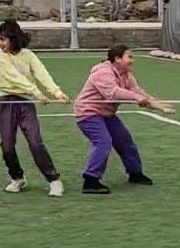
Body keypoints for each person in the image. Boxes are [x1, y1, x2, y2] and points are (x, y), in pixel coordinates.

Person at [74, 45, 173, 195]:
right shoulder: (102, 72)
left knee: (125, 141)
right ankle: (90, 180)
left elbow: (138, 92)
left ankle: (135, 173)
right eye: (129, 57)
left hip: (107, 114)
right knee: (103, 142)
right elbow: (112, 93)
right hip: (88, 113)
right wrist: (137, 97)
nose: (132, 61)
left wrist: (158, 105)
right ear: (117, 58)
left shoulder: (126, 75)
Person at [0, 20, 69, 196]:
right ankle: (17, 178)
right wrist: (37, 93)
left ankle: (54, 180)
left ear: (13, 38)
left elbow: (41, 73)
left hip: (25, 102)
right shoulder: (0, 56)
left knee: (35, 142)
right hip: (7, 101)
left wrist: (56, 92)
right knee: (7, 145)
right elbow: (13, 77)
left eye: (2, 39)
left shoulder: (28, 55)